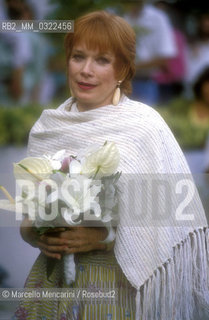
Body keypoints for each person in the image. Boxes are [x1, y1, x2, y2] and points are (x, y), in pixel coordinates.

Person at [14, 11, 209, 320]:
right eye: (78, 57)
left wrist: (99, 237)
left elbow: (163, 221)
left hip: (115, 288)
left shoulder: (145, 127)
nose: (86, 71)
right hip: (50, 287)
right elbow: (26, 220)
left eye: (102, 60)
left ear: (122, 69)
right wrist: (36, 235)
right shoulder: (47, 127)